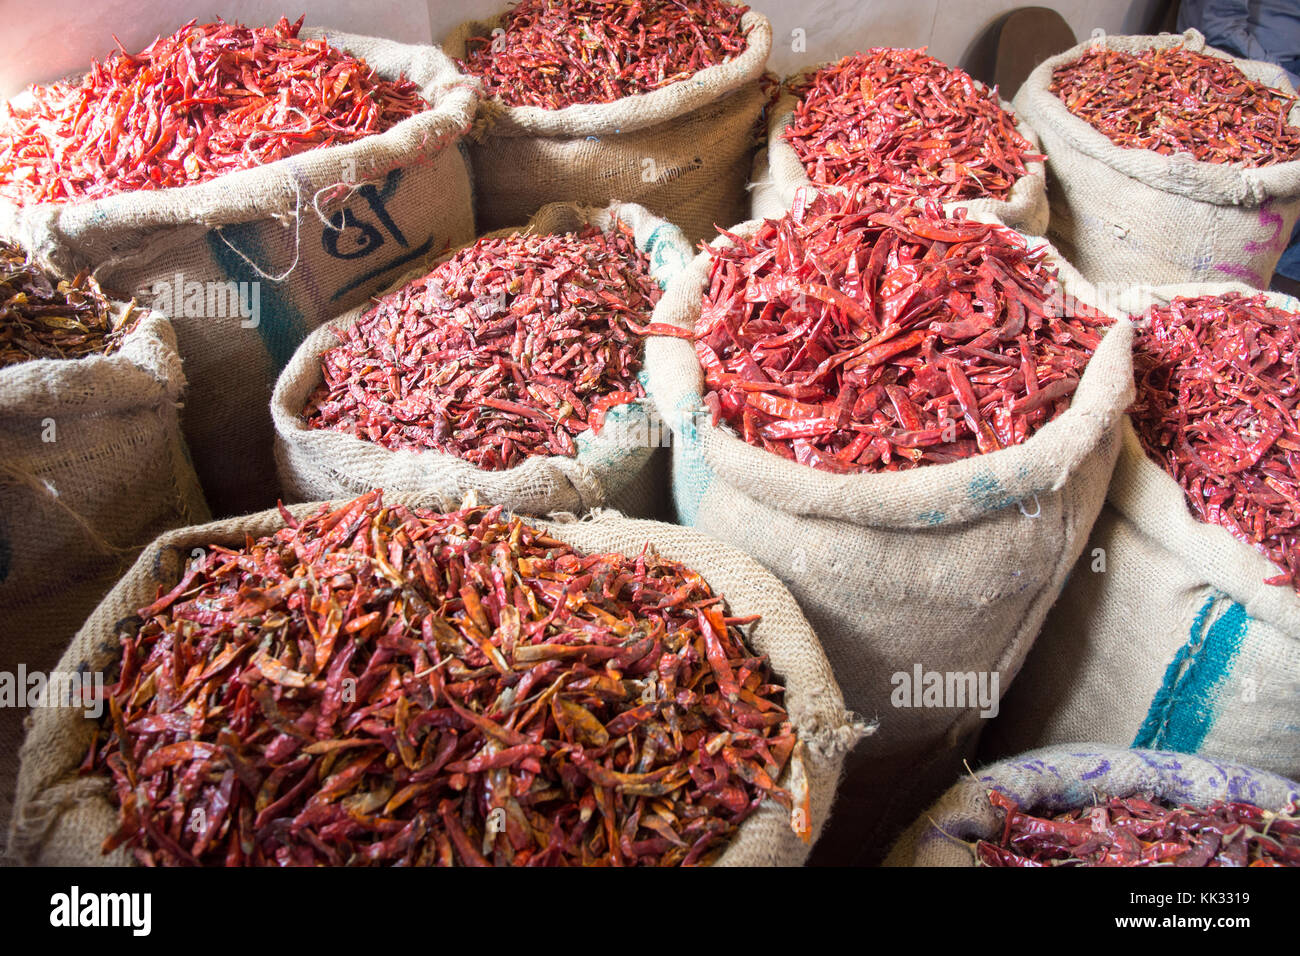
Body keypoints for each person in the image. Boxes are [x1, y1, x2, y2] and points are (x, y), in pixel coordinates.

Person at [1178, 1, 1300, 286]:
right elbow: (1218, 30)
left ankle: (1281, 282)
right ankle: (1269, 279)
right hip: (1244, 68)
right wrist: (1288, 82)